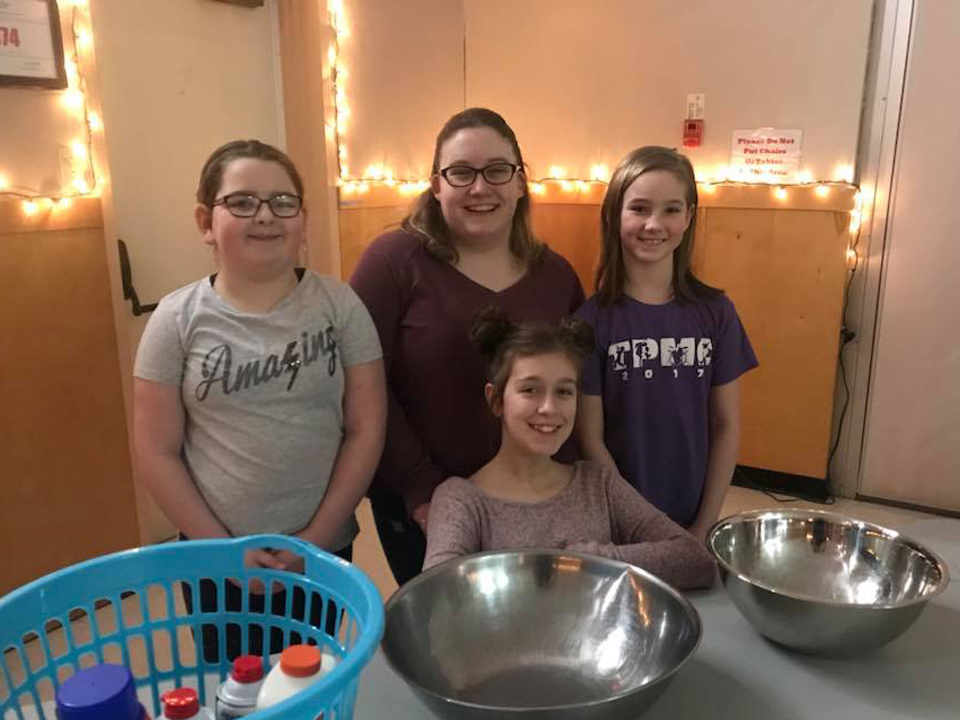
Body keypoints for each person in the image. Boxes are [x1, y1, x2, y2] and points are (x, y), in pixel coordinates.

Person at [133, 139, 386, 658]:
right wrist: (225, 553)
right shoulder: (176, 320)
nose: (266, 216)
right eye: (243, 202)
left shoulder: (340, 306)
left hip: (323, 550)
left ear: (303, 218)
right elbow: (157, 451)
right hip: (215, 558)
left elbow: (365, 427)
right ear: (206, 221)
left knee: (310, 676)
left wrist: (314, 539)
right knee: (237, 689)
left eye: (283, 202)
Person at [350, 108, 584, 585]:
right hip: (422, 504)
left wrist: (569, 486)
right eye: (461, 172)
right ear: (436, 185)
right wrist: (420, 488)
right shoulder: (392, 263)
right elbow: (363, 385)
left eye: (498, 170)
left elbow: (573, 388)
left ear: (521, 183)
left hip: (533, 500)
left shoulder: (557, 276)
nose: (480, 188)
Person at [422, 307, 715, 590]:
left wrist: (590, 560)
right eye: (530, 389)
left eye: (564, 391)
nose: (549, 408)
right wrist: (551, 567)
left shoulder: (597, 484)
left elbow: (694, 559)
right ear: (496, 400)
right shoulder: (460, 500)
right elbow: (436, 596)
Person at [575, 146, 758, 540]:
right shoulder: (590, 321)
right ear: (613, 215)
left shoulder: (717, 312)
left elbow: (726, 426)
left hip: (694, 517)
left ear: (689, 216)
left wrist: (703, 525)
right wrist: (638, 523)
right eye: (639, 208)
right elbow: (590, 437)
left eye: (671, 210)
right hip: (619, 524)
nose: (654, 224)